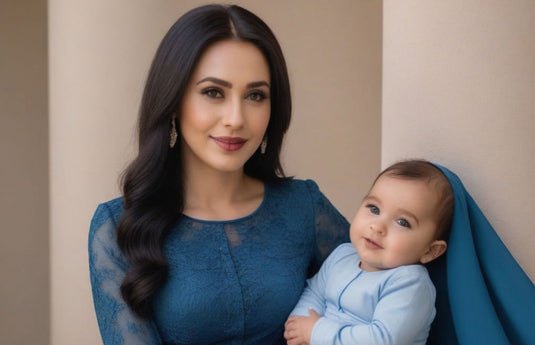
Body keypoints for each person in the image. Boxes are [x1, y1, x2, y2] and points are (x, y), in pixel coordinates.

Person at [88, 4, 349, 345]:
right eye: (213, 92)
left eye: (256, 95)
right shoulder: (117, 227)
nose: (235, 118)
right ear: (173, 101)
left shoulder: (305, 208)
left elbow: (389, 301)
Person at [284, 159, 454, 345]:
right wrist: (298, 326)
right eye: (374, 209)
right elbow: (314, 293)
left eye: (402, 222)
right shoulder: (342, 256)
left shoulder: (410, 284)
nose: (378, 226)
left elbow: (382, 339)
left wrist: (317, 332)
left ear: (430, 251)